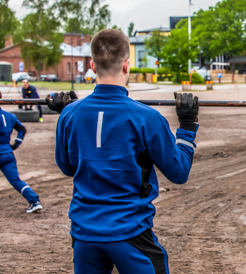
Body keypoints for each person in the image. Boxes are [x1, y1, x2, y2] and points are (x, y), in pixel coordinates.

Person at [47, 29, 198, 274]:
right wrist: (188, 126)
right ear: (127, 65)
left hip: (85, 236)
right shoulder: (147, 117)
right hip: (129, 233)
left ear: (92, 66)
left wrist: (66, 114)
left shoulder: (70, 114)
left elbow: (67, 167)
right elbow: (179, 172)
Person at [0, 91, 43, 213]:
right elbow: (22, 129)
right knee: (16, 181)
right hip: (8, 154)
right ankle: (34, 201)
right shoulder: (9, 116)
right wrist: (16, 144)